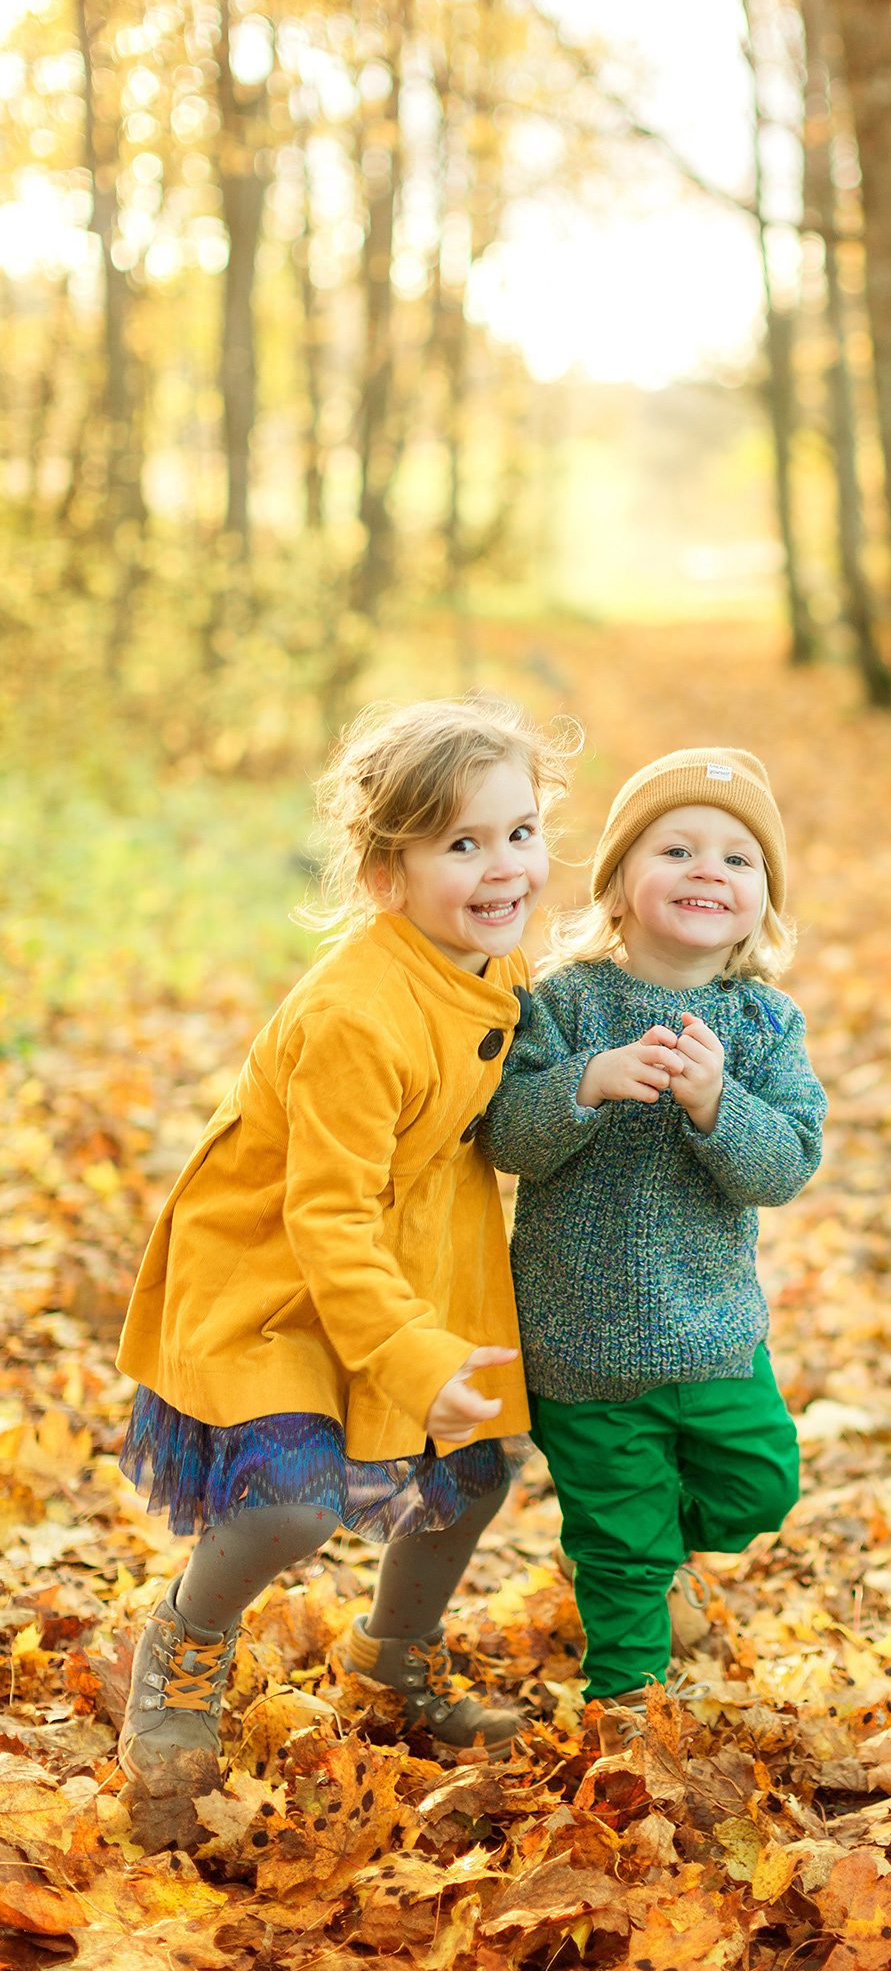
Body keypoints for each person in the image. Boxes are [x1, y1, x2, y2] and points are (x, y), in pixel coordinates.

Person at [114, 697, 574, 1796]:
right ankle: (182, 1643)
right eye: (462, 843)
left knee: (473, 1472)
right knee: (287, 1500)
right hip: (275, 1267)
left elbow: (525, 1077)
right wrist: (415, 1359)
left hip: (414, 1252)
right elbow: (325, 1216)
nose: (503, 865)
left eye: (519, 831)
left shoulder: (492, 958)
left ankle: (389, 1662)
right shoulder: (357, 1019)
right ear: (384, 874)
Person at [480, 747, 826, 1710]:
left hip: (712, 1335)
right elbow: (508, 1137)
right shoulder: (567, 1002)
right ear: (620, 887)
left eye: (737, 858)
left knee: (759, 1492)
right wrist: (582, 1086)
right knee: (620, 1544)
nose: (707, 869)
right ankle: (624, 1704)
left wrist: (720, 1105)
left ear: (762, 903)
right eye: (676, 848)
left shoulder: (762, 1025)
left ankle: (655, 1547)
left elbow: (787, 1165)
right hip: (579, 1344)